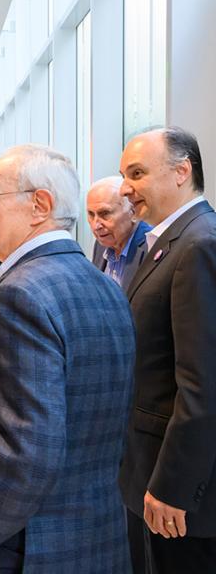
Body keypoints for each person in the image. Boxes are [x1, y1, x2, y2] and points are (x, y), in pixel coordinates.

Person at [0, 145, 134, 574]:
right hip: (94, 537)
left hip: (23, 546)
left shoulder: (22, 294)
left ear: (39, 205)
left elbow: (25, 452)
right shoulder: (104, 285)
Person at [118, 127, 216, 573]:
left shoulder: (199, 245)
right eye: (124, 175)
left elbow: (203, 383)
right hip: (147, 471)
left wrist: (173, 487)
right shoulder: (166, 243)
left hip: (176, 494)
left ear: (181, 171)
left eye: (137, 173)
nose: (125, 188)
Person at [86, 175, 151, 290]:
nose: (96, 225)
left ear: (133, 212)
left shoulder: (151, 245)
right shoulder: (102, 243)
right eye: (91, 214)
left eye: (105, 213)